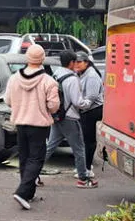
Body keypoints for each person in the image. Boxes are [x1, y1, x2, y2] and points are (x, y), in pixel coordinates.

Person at [4, 44, 60, 210]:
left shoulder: (14, 78)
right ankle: (22, 192)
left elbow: (8, 100)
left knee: (24, 157)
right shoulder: (48, 81)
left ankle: (28, 193)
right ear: (42, 59)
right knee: (36, 158)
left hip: (20, 122)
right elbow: (54, 106)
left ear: (27, 58)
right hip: (38, 125)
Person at [44, 51, 98, 188]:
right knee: (79, 149)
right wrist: (88, 103)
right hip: (70, 118)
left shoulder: (56, 74)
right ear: (71, 63)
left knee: (50, 146)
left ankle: (32, 172)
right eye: (75, 61)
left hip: (57, 116)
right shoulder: (72, 79)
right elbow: (77, 102)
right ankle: (83, 179)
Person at [75, 51, 105, 179]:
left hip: (92, 110)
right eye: (75, 62)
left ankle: (87, 168)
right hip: (85, 110)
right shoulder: (82, 73)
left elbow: (91, 98)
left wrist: (79, 105)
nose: (77, 64)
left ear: (86, 63)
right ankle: (85, 166)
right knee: (84, 140)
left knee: (89, 141)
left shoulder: (91, 75)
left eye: (79, 62)